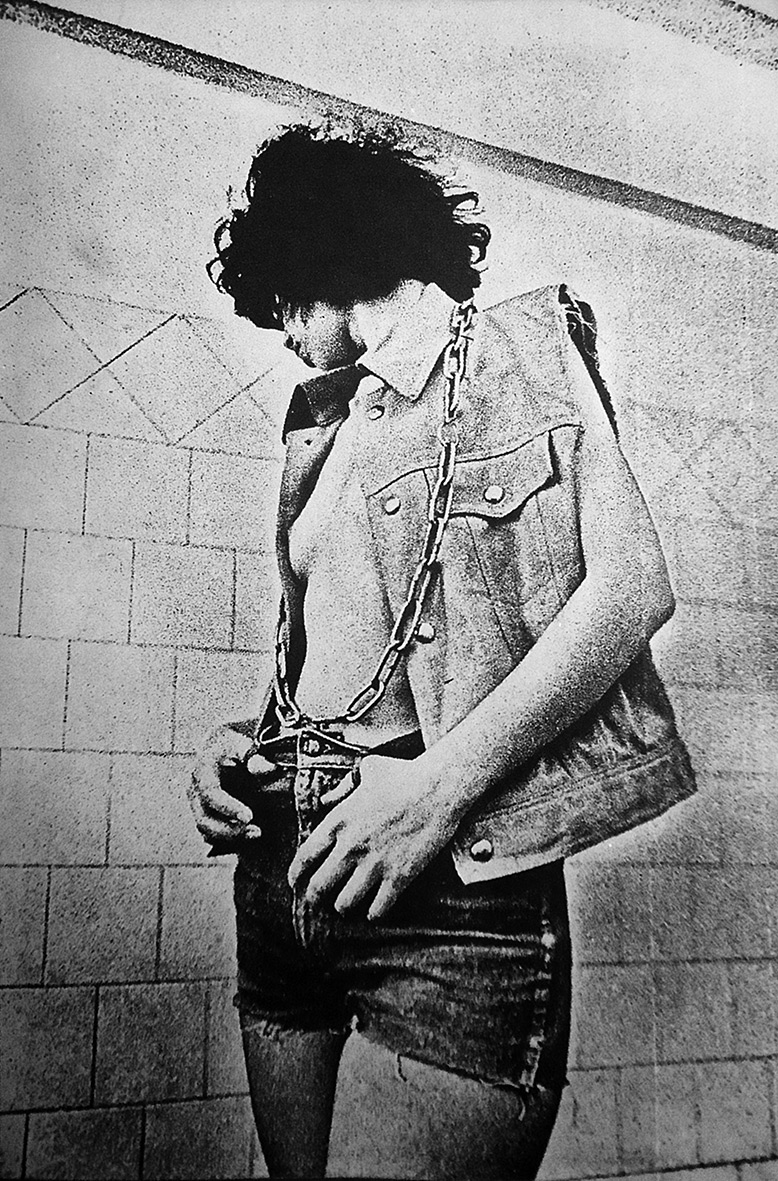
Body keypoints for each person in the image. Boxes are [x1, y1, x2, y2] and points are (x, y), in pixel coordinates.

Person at [188, 122, 696, 1179]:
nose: (285, 335)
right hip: (283, 863)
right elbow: (347, 654)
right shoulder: (324, 426)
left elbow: (632, 585)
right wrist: (245, 742)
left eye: (282, 303)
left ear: (318, 258)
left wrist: (435, 790)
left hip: (448, 885)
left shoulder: (524, 343)